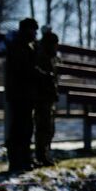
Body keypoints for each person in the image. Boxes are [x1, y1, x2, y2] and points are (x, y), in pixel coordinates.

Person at [5, 18, 40, 172]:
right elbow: (24, 70)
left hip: (26, 93)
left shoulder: (26, 47)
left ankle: (25, 159)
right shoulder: (19, 47)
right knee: (19, 129)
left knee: (26, 128)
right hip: (20, 94)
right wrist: (39, 74)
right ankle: (17, 161)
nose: (35, 33)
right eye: (33, 30)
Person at [34, 31, 59, 166]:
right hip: (42, 97)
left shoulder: (50, 58)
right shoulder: (42, 57)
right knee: (43, 128)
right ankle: (41, 155)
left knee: (48, 128)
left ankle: (45, 154)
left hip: (48, 97)